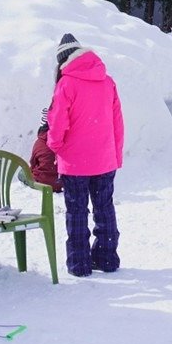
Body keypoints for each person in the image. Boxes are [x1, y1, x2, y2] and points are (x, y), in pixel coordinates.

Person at [46, 33, 125, 277]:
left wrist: (55, 145)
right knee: (105, 208)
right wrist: (116, 154)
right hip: (104, 159)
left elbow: (58, 123)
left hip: (75, 162)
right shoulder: (107, 81)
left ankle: (79, 264)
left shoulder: (66, 84)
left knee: (77, 212)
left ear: (63, 61)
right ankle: (107, 259)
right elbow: (117, 122)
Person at [29, 109, 63, 193]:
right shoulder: (64, 141)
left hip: (43, 183)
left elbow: (33, 163)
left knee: (22, 173)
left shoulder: (39, 143)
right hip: (61, 183)